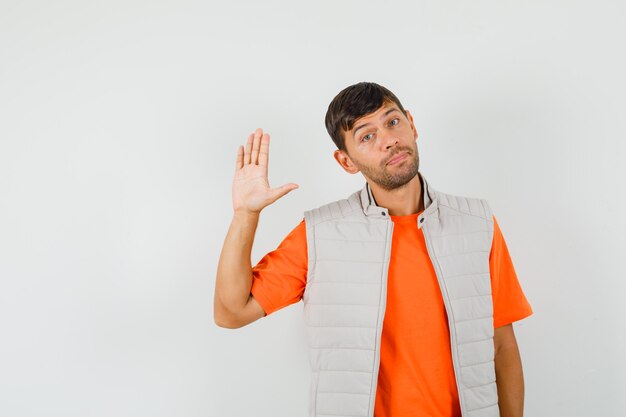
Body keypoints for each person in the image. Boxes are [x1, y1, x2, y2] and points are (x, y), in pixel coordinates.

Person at [214, 82, 533, 417]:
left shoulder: (476, 223)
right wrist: (246, 215)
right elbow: (231, 312)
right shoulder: (319, 235)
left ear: (412, 123)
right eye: (367, 136)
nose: (389, 140)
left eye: (393, 122)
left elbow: (501, 345)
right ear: (346, 161)